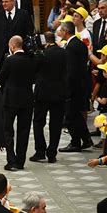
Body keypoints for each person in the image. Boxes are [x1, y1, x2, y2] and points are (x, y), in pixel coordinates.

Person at [0, 36, 37, 171]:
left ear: (12, 46)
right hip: (27, 99)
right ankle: (20, 161)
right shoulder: (31, 59)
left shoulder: (10, 60)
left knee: (8, 130)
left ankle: (11, 160)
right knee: (24, 131)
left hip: (10, 99)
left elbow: (1, 78)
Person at [30, 32, 67, 163]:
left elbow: (34, 70)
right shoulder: (63, 52)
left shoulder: (42, 53)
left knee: (38, 122)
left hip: (43, 93)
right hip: (59, 93)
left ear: (44, 41)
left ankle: (40, 151)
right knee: (56, 124)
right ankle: (52, 153)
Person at [58, 21, 92, 152]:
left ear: (65, 32)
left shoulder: (71, 47)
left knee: (70, 115)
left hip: (74, 86)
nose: (59, 33)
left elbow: (71, 70)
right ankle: (86, 138)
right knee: (76, 114)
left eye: (61, 30)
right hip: (82, 84)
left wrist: (67, 88)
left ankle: (75, 142)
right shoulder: (81, 44)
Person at [0, 0, 33, 71]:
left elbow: (28, 31)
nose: (4, 4)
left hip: (19, 53)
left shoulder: (23, 14)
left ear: (13, 2)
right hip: (1, 54)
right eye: (3, 2)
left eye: (6, 2)